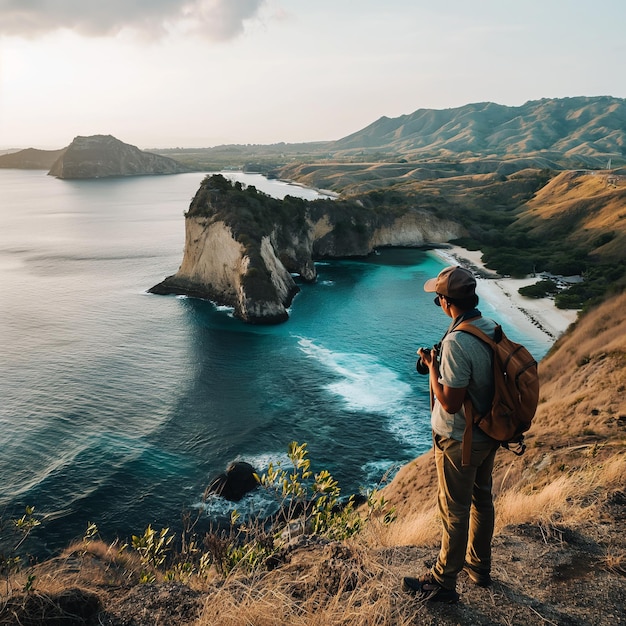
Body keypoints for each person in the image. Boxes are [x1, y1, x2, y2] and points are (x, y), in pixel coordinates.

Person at [402, 265, 500, 603]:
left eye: (438, 299)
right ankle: (479, 566)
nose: (438, 304)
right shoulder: (490, 327)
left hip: (460, 439)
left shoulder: (459, 342)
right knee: (481, 500)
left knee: (453, 510)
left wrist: (432, 368)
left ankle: (443, 581)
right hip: (488, 433)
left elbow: (450, 401)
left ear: (447, 302)